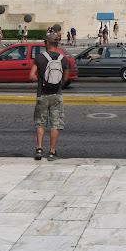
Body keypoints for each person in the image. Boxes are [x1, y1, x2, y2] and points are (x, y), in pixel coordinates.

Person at [29, 33, 70, 162]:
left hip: (42, 94)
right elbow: (66, 78)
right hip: (57, 94)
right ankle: (52, 152)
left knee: (40, 122)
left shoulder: (40, 58)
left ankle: (39, 149)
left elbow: (31, 76)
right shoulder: (63, 59)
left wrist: (41, 80)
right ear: (57, 44)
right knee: (55, 123)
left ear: (46, 43)